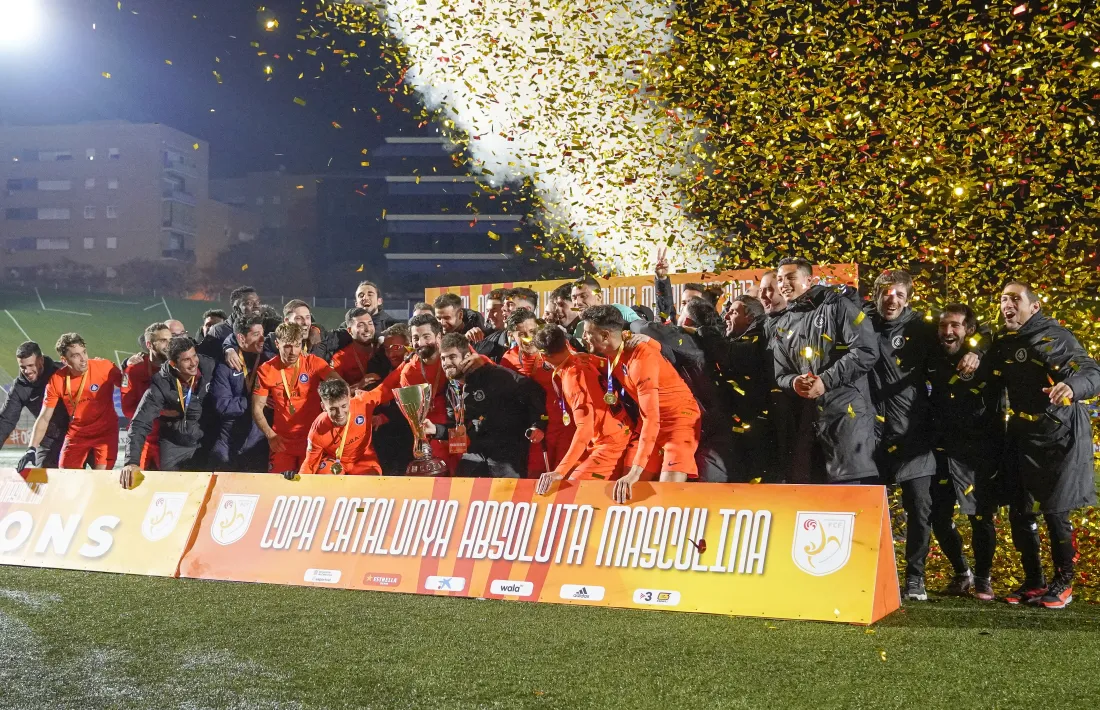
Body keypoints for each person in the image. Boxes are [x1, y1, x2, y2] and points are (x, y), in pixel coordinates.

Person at [866, 270, 977, 601]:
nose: (892, 299)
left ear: (908, 298)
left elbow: (967, 332)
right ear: (875, 294)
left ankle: (915, 578)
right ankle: (870, 572)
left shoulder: (922, 327)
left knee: (920, 508)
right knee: (872, 508)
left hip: (915, 434)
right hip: (871, 435)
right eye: (886, 292)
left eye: (899, 294)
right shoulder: (859, 322)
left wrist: (978, 351)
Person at [992, 281, 1100, 609]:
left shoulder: (1053, 337)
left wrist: (1071, 384)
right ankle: (1034, 580)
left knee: (1055, 512)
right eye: (1002, 299)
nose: (1007, 304)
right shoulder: (1005, 340)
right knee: (1020, 510)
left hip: (1060, 435)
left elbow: (1093, 373)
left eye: (1015, 299)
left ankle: (1064, 582)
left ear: (1034, 307)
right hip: (1024, 434)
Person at [770, 257, 879, 484]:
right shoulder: (782, 324)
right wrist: (794, 382)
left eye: (790, 277)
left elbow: (866, 350)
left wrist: (825, 381)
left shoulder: (837, 306)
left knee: (849, 503)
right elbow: (780, 374)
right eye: (779, 279)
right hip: (809, 425)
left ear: (809, 279)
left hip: (847, 419)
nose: (783, 284)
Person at [580, 306, 701, 502]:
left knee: (666, 495)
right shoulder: (617, 347)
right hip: (648, 424)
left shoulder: (641, 360)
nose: (583, 337)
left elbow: (651, 419)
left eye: (587, 333)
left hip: (678, 420)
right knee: (627, 492)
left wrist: (635, 473)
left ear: (604, 335)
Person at [928, 304, 1004, 602]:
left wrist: (980, 351)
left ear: (969, 330)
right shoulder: (932, 353)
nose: (948, 331)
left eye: (955, 326)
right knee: (938, 516)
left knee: (980, 517)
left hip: (977, 450)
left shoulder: (985, 356)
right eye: (944, 325)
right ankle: (962, 573)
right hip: (940, 449)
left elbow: (993, 333)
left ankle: (983, 580)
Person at [422, 332, 547, 478]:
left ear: (467, 356)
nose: (446, 363)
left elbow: (534, 390)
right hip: (477, 452)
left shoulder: (494, 375)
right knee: (461, 485)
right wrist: (435, 429)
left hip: (507, 453)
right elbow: (457, 428)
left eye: (452, 357)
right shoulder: (452, 389)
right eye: (443, 358)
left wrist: (538, 424)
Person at [532, 324, 631, 492]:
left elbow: (584, 429)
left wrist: (559, 472)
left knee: (574, 491)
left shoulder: (573, 378)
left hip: (610, 442)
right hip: (617, 432)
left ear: (542, 356)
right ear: (566, 343)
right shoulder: (584, 358)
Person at [692, 295, 776, 483]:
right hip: (737, 428)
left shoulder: (758, 339)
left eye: (734, 312)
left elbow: (727, 355)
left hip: (756, 431)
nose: (727, 316)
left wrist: (704, 331)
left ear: (750, 317)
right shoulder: (736, 338)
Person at [120, 336, 217, 484]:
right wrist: (131, 462)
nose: (193, 363)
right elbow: (140, 422)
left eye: (194, 356)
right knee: (173, 490)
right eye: (186, 360)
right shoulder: (161, 384)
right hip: (174, 444)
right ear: (173, 363)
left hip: (207, 440)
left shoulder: (209, 367)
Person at [22, 333, 122, 471]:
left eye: (84, 353)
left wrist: (131, 364)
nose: (83, 359)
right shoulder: (57, 380)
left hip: (105, 434)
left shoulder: (104, 367)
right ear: (64, 360)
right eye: (75, 356)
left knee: (101, 478)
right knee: (66, 477)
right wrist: (31, 448)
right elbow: (44, 417)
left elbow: (129, 387)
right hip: (77, 435)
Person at [252, 322, 341, 473]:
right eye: (287, 346)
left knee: (313, 484)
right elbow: (257, 407)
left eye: (297, 345)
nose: (293, 352)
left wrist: (329, 400)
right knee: (279, 485)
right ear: (277, 344)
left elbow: (339, 385)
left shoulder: (313, 363)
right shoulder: (266, 370)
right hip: (282, 441)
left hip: (313, 439)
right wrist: (271, 435)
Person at [500, 308, 575, 474]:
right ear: (511, 335)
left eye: (532, 331)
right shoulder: (508, 359)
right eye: (521, 333)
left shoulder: (556, 349)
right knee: (536, 477)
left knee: (566, 477)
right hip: (534, 430)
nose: (528, 338)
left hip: (564, 426)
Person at [296, 378, 392, 476]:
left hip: (362, 457)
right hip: (335, 460)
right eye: (333, 409)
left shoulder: (363, 402)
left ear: (350, 400)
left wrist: (406, 365)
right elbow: (310, 464)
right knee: (326, 476)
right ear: (323, 407)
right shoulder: (318, 428)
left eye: (344, 406)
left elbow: (388, 386)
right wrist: (297, 484)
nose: (340, 413)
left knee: (371, 479)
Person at [209, 314, 269, 471]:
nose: (262, 339)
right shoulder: (226, 366)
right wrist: (257, 402)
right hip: (230, 441)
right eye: (256, 335)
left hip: (259, 442)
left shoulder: (268, 360)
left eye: (263, 334)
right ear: (241, 338)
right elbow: (223, 405)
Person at [400, 314, 457, 472]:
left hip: (461, 429)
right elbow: (415, 418)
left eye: (426, 336)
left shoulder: (453, 356)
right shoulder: (409, 373)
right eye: (415, 337)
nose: (420, 343)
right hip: (431, 433)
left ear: (439, 337)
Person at [2, 342, 68, 469]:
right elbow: (5, 421)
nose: (27, 371)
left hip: (76, 435)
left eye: (31, 365)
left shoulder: (62, 372)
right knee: (43, 477)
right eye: (22, 367)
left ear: (41, 360)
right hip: (48, 440)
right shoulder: (20, 387)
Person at [122, 322, 171, 470]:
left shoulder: (177, 368)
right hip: (143, 438)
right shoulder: (133, 370)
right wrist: (160, 412)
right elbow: (127, 408)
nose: (168, 344)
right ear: (149, 344)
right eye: (163, 340)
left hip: (169, 440)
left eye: (170, 340)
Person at [374, 323, 415, 473]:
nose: (391, 354)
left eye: (396, 348)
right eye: (386, 349)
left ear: (409, 346)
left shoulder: (416, 370)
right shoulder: (380, 368)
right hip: (386, 445)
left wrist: (385, 417)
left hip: (410, 441)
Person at [570, 277, 642, 338]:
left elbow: (646, 333)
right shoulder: (580, 327)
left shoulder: (620, 311)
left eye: (583, 296)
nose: (578, 302)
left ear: (599, 296)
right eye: (574, 298)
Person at [331, 307, 384, 390]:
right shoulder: (340, 359)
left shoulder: (383, 349)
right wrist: (358, 386)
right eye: (361, 325)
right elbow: (335, 393)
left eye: (370, 323)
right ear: (350, 331)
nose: (368, 329)